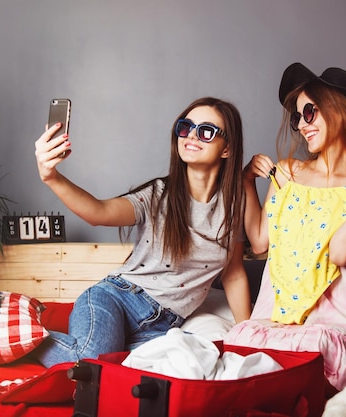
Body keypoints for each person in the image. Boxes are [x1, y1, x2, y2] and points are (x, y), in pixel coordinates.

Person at [32, 97, 251, 367]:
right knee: (89, 362)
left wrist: (247, 336)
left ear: (227, 148)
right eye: (186, 127)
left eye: (206, 131)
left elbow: (234, 273)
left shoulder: (234, 205)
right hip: (118, 299)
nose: (192, 136)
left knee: (158, 371)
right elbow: (98, 212)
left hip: (163, 326)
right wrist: (51, 176)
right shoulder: (157, 195)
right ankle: (17, 334)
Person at [223, 63, 346, 391]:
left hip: (335, 317)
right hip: (275, 313)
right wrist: (247, 181)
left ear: (339, 109)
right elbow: (260, 242)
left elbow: (341, 251)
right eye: (297, 117)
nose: (302, 126)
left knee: (318, 355)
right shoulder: (289, 171)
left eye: (309, 112)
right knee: (249, 353)